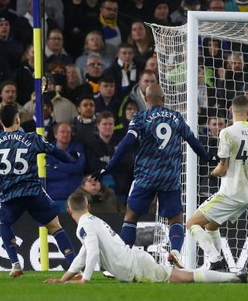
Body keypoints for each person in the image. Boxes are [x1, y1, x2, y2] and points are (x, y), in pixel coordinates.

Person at [92, 84, 215, 269]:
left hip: (146, 176)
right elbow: (193, 141)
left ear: (144, 97)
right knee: (175, 219)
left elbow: (127, 143)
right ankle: (174, 252)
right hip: (170, 177)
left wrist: (108, 167)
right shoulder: (176, 117)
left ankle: (125, 261)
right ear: (164, 98)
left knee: (131, 216)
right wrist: (207, 157)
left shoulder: (141, 118)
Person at [0, 104, 80, 277]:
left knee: (4, 221)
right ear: (18, 120)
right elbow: (57, 152)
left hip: (9, 195)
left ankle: (15, 263)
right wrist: (73, 158)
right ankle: (73, 266)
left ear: (1, 121)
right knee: (54, 226)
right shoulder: (32, 138)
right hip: (33, 191)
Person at [43, 192, 248, 284]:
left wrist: (84, 280)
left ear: (68, 211)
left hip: (135, 266)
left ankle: (234, 277)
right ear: (88, 206)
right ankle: (234, 277)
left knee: (186, 278)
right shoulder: (91, 221)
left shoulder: (84, 226)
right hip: (135, 262)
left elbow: (93, 251)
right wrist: (63, 280)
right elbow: (84, 253)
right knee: (183, 277)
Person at [186, 95, 248, 271]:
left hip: (230, 193)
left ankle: (215, 259)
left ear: (231, 111)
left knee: (191, 223)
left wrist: (211, 173)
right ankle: (218, 267)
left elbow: (222, 169)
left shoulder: (227, 132)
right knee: (211, 225)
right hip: (247, 194)